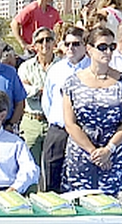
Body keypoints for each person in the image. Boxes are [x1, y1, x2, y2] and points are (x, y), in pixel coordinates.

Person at [62, 27, 122, 195]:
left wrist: (108, 150)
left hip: (114, 156)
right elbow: (70, 124)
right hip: (82, 155)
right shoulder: (72, 82)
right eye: (102, 47)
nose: (107, 51)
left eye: (111, 47)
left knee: (114, 210)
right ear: (89, 49)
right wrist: (94, 152)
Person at [41, 26, 90, 192]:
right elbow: (47, 101)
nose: (70, 48)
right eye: (67, 44)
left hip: (84, 132)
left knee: (82, 181)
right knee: (51, 178)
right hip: (58, 131)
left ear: (85, 46)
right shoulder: (56, 69)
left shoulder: (92, 68)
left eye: (76, 44)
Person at [18, 27, 59, 166]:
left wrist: (35, 89)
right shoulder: (25, 66)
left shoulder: (62, 66)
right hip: (31, 121)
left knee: (53, 166)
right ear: (34, 46)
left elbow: (62, 92)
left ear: (55, 43)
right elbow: (23, 90)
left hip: (54, 123)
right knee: (29, 166)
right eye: (40, 40)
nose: (45, 43)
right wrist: (40, 90)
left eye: (48, 39)